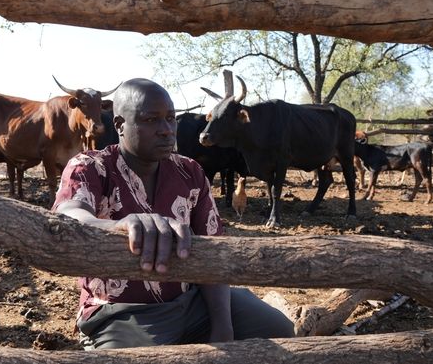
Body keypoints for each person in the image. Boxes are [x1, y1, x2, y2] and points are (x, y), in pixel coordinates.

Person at [53, 78, 294, 349]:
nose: (167, 130)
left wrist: (223, 327)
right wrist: (118, 225)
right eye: (151, 120)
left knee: (279, 330)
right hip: (122, 312)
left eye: (170, 118)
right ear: (120, 125)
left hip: (192, 300)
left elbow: (214, 254)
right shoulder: (91, 167)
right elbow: (69, 214)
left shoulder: (189, 172)